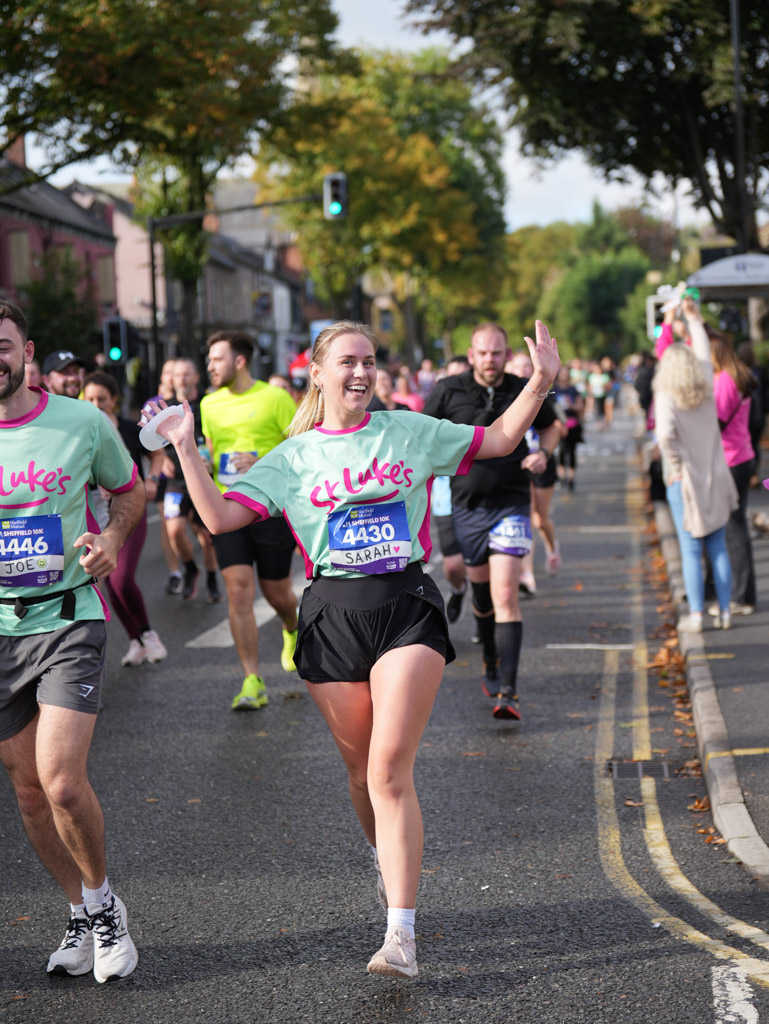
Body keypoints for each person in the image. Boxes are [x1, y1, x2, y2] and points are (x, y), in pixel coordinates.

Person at [139, 317, 560, 980]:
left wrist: (538, 382)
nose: (361, 373)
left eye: (368, 360)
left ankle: (401, 934)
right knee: (362, 773)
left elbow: (502, 437)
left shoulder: (410, 431)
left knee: (389, 769)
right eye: (347, 362)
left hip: (404, 608)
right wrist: (186, 448)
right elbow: (220, 519)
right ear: (319, 371)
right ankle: (385, 856)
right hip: (332, 615)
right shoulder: (291, 458)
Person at [0, 301, 142, 983]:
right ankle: (80, 915)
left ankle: (105, 906)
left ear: (26, 350)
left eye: (2, 344)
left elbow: (128, 489)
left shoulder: (81, 421)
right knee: (27, 792)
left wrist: (112, 537)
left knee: (59, 780)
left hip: (66, 618)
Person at [423, 323, 561, 720]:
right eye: (483, 353)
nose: (490, 359)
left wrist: (544, 454)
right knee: (482, 600)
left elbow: (553, 425)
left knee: (505, 596)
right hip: (466, 507)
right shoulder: (448, 391)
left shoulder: (523, 386)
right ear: (471, 355)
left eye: (497, 352)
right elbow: (420, 437)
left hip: (511, 504)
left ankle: (509, 692)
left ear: (505, 354)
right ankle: (489, 656)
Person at [200, 330, 299, 710]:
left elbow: (297, 448)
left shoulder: (275, 398)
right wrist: (205, 465)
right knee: (239, 590)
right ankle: (251, 680)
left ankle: (291, 627)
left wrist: (262, 463)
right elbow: (211, 450)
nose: (210, 366)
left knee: (277, 593)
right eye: (209, 360)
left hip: (270, 508)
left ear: (239, 361)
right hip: (228, 508)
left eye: (217, 359)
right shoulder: (208, 404)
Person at [653, 298, 738, 631]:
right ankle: (726, 611)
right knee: (718, 546)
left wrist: (673, 464)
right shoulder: (704, 380)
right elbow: (702, 349)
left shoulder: (666, 395)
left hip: (683, 479)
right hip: (716, 474)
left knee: (690, 549)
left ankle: (698, 614)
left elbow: (664, 435)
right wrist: (694, 318)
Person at [82, 371, 168, 665]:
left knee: (121, 577)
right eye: (89, 399)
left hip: (130, 510)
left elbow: (156, 454)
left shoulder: (129, 429)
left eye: (101, 400)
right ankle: (136, 640)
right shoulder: (83, 430)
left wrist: (153, 479)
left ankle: (149, 633)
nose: (95, 405)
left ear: (114, 401)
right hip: (98, 513)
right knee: (105, 577)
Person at [150, 358, 222, 604]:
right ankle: (191, 568)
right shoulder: (165, 407)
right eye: (177, 374)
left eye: (187, 374)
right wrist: (161, 457)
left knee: (207, 535)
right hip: (176, 481)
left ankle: (212, 578)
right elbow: (151, 442)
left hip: (203, 479)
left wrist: (211, 458)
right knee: (174, 529)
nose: (181, 378)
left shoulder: (209, 404)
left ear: (196, 377)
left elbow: (218, 436)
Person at [707, 328, 758, 616]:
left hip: (731, 459)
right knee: (735, 526)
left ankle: (741, 597)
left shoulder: (725, 379)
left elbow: (716, 423)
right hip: (739, 456)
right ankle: (743, 593)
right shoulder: (731, 376)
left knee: (733, 529)